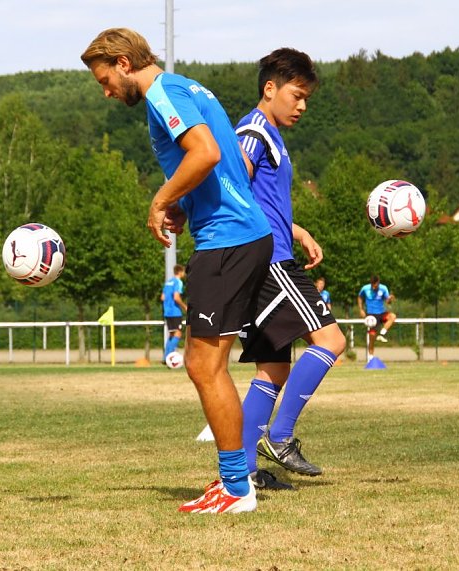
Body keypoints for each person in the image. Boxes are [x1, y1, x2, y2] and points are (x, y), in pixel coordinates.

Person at [81, 28, 273, 514]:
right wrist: (187, 205)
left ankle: (237, 486)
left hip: (227, 240)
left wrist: (161, 199)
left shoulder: (162, 93)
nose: (106, 92)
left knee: (204, 366)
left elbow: (206, 152)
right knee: (207, 364)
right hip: (238, 234)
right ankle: (234, 479)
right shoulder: (186, 87)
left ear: (124, 63)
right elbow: (229, 164)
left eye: (104, 80)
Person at [233, 48, 346, 490]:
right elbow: (233, 185)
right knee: (331, 340)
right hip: (271, 262)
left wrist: (297, 229)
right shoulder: (254, 132)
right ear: (270, 88)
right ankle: (280, 437)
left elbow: (259, 200)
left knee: (273, 369)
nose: (302, 106)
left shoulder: (271, 136)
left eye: (306, 99)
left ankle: (244, 472)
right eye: (296, 95)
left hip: (267, 255)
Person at [357, 275, 397, 360]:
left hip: (381, 313)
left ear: (378, 283)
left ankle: (382, 334)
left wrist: (390, 299)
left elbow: (387, 301)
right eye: (373, 285)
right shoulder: (365, 288)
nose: (374, 287)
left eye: (375, 285)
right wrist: (361, 309)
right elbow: (360, 297)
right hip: (371, 315)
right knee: (372, 336)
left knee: (392, 316)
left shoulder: (383, 288)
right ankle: (370, 358)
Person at [161, 264, 187, 361]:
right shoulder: (178, 282)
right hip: (175, 312)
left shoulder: (168, 282)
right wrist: (185, 307)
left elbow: (162, 297)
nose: (184, 274)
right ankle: (169, 358)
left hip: (167, 312)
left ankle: (165, 358)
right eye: (183, 272)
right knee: (178, 334)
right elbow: (176, 297)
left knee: (172, 334)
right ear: (180, 272)